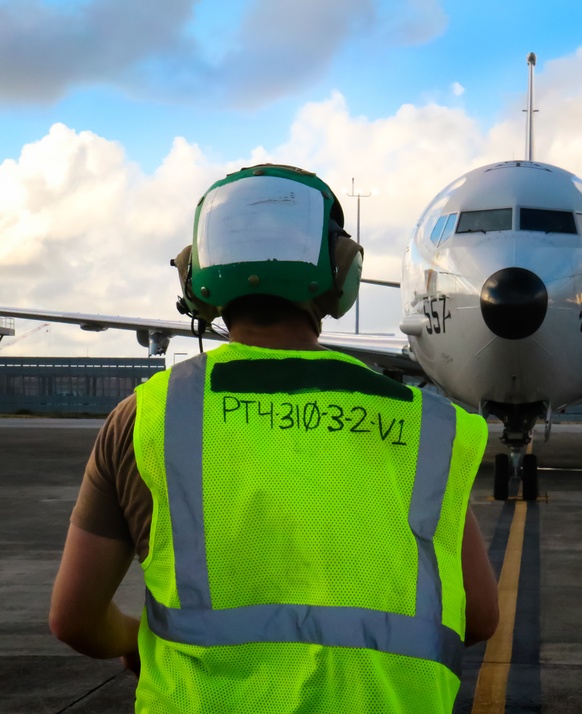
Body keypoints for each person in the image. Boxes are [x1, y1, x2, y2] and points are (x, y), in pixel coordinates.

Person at [49, 163, 499, 712]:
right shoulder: (426, 425)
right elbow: (479, 617)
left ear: (194, 277)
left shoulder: (147, 418)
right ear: (342, 271)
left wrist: (131, 641)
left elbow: (73, 617)